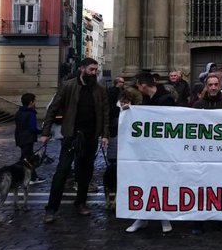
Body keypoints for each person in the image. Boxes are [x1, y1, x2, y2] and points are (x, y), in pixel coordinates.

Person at [40, 58, 109, 224]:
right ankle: (51, 209)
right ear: (82, 69)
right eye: (91, 69)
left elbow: (105, 112)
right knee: (62, 171)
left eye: (96, 70)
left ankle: (81, 202)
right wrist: (45, 132)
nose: (94, 73)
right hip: (71, 135)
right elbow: (53, 109)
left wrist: (105, 134)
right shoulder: (68, 85)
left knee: (85, 172)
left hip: (90, 135)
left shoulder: (100, 89)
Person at [126, 73, 176, 233]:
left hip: (164, 150)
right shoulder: (146, 99)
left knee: (162, 182)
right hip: (147, 150)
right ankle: (142, 217)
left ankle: (164, 217)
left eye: (138, 86)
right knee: (145, 182)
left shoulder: (166, 99)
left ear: (143, 85)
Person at [14, 93, 44, 184]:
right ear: (31, 102)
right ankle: (28, 178)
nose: (35, 103)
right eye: (34, 101)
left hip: (19, 138)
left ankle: (34, 177)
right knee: (26, 159)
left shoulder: (19, 112)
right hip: (28, 138)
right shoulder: (31, 113)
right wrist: (41, 131)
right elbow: (32, 128)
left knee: (27, 158)